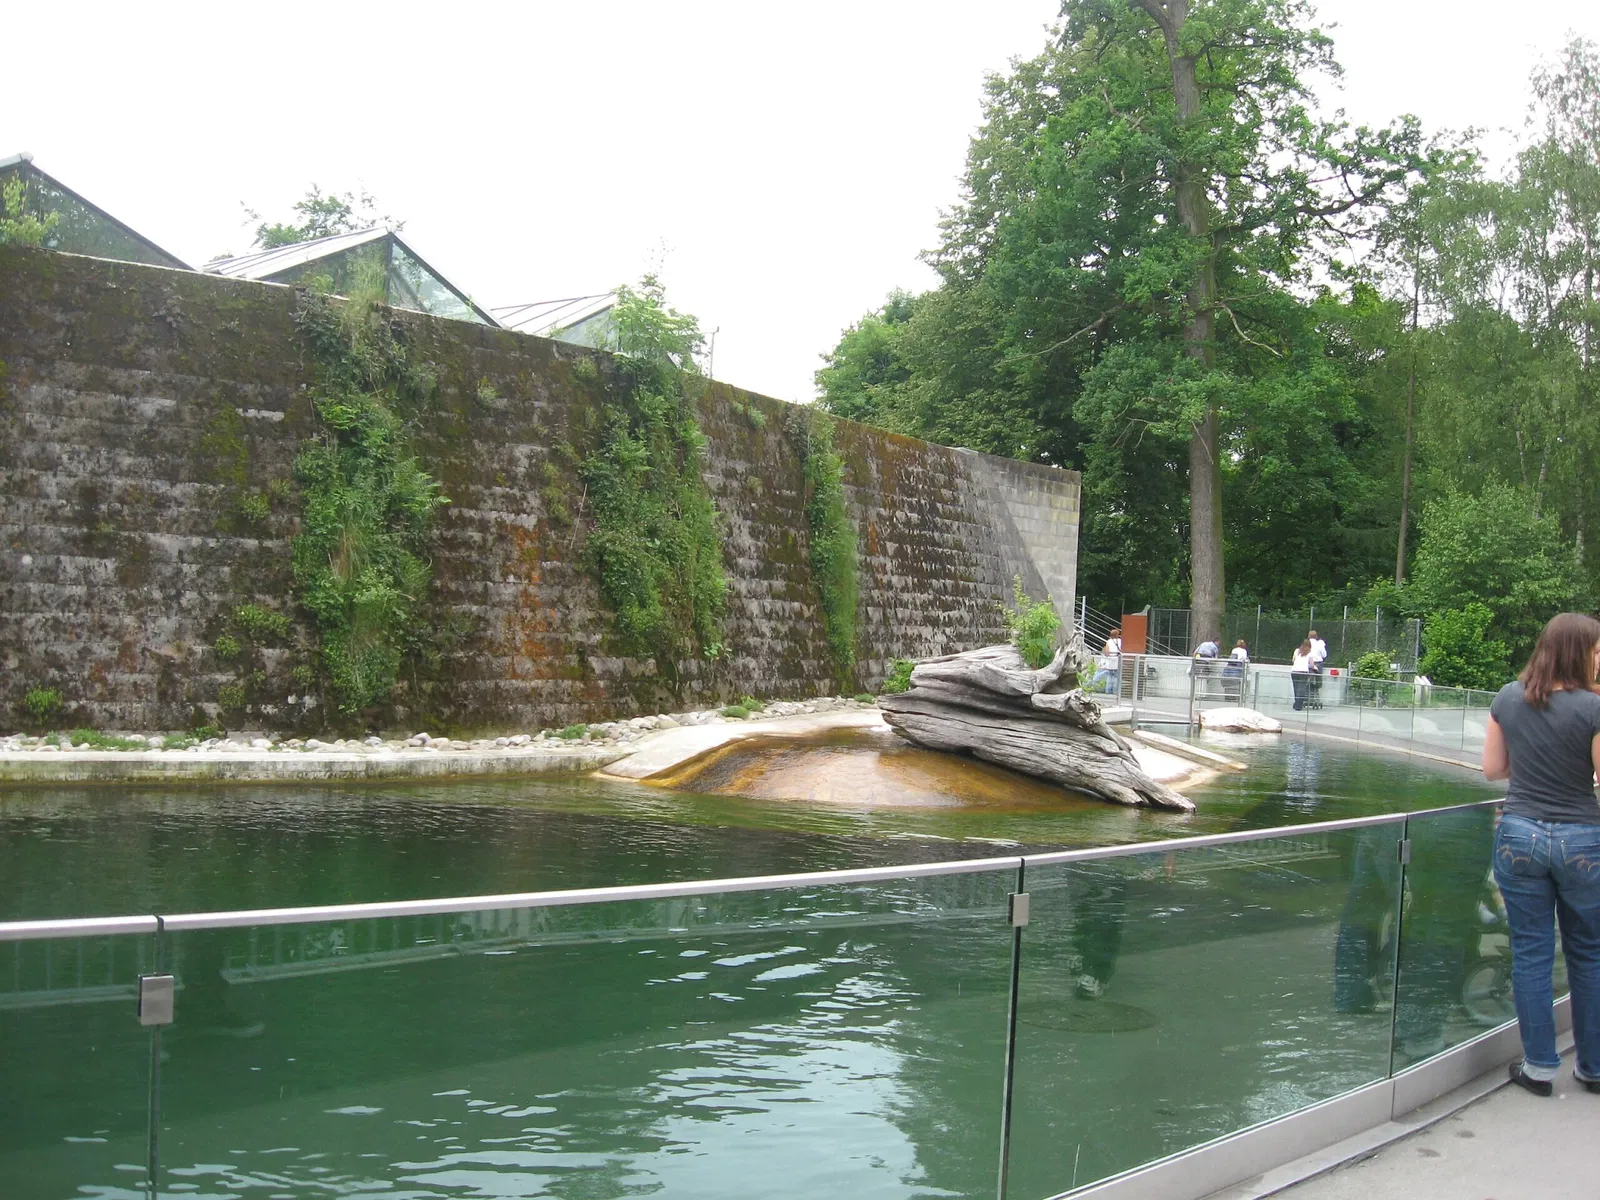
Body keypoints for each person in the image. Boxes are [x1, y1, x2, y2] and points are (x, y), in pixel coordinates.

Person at [1481, 611, 1600, 1097]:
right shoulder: (1595, 708)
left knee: (1530, 953)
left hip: (1518, 834)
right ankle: (1592, 1069)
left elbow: (1492, 769)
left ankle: (1540, 1068)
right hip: (1581, 841)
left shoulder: (1509, 698)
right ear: (1579, 652)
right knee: (1589, 954)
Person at [1090, 627, 1122, 696]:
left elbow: (1106, 652)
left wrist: (1109, 656)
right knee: (1116, 676)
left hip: (1110, 661)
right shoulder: (1120, 641)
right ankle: (1115, 691)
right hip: (1118, 660)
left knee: (1110, 676)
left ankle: (1108, 691)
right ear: (1117, 634)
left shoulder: (1109, 641)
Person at [1307, 629, 1328, 708]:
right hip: (1318, 663)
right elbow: (1324, 654)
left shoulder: (1306, 643)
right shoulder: (1319, 644)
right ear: (1316, 636)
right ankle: (1316, 697)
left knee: (1308, 680)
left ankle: (1308, 698)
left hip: (1308, 664)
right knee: (1317, 680)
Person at [1291, 639, 1314, 711]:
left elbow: (1293, 660)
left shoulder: (1297, 651)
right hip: (1303, 672)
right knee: (1301, 689)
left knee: (1296, 688)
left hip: (1294, 671)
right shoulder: (1310, 653)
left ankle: (1296, 703)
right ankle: (1298, 705)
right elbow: (1312, 665)